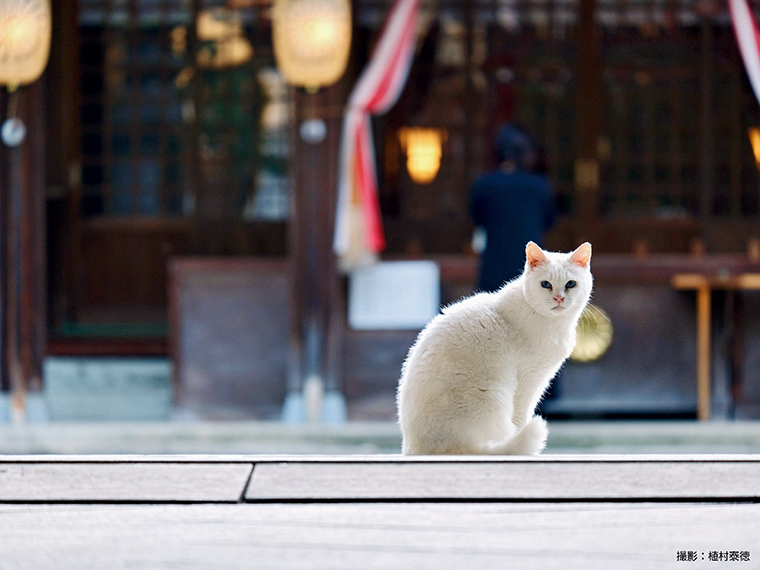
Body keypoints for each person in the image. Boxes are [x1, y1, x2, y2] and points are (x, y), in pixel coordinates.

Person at [470, 124, 557, 292]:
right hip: (530, 269)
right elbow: (549, 221)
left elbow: (477, 218)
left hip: (493, 266)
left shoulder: (484, 185)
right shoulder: (539, 186)